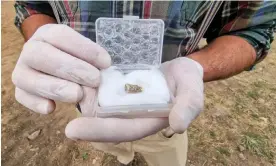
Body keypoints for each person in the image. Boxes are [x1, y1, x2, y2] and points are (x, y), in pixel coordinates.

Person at [13, 1, 275, 166]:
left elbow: (254, 28)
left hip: (166, 116)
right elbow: (33, 6)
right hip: (93, 102)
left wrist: (195, 66)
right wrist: (45, 41)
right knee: (103, 146)